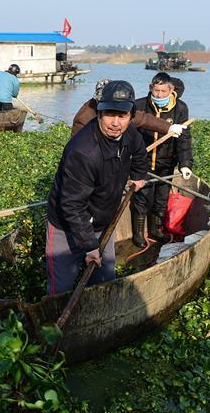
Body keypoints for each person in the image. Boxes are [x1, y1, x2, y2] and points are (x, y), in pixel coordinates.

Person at [45, 80, 147, 295]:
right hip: (67, 224)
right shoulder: (83, 151)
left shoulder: (130, 134)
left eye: (122, 116)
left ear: (131, 116)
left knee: (105, 280)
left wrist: (138, 176)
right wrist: (90, 247)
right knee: (61, 287)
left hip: (103, 220)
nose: (115, 123)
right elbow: (71, 206)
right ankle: (52, 323)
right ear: (99, 113)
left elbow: (139, 152)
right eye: (110, 114)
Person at [131, 72, 193, 248]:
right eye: (156, 90)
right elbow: (130, 134)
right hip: (142, 162)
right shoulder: (139, 105)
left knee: (161, 199)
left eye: (163, 91)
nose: (159, 95)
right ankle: (138, 235)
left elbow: (184, 138)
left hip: (166, 163)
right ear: (151, 88)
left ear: (171, 90)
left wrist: (185, 163)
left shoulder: (180, 108)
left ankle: (156, 231)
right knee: (141, 198)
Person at [71, 78, 188, 138]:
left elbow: (143, 119)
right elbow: (78, 150)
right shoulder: (84, 118)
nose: (115, 121)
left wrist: (169, 127)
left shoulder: (121, 108)